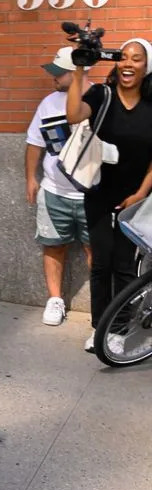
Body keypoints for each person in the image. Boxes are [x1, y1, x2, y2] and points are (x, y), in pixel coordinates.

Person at [67, 38, 152, 351]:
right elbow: (74, 115)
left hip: (136, 199)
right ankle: (99, 327)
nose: (128, 64)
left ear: (147, 66)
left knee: (126, 267)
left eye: (137, 59)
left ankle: (117, 330)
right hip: (100, 192)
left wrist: (141, 194)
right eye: (124, 57)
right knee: (101, 263)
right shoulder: (102, 95)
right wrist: (79, 70)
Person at [26, 47, 92, 325]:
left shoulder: (101, 98)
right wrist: (31, 177)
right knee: (53, 247)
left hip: (93, 194)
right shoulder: (48, 103)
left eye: (58, 72)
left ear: (76, 72)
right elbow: (34, 142)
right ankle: (55, 300)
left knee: (96, 250)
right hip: (54, 191)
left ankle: (101, 304)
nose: (53, 77)